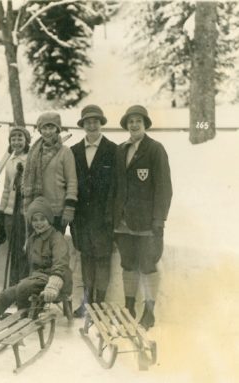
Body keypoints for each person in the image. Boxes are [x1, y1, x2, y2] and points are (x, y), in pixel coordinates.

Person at [0, 197, 72, 339]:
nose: (38, 223)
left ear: (49, 219)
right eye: (35, 220)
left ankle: (22, 317)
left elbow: (60, 265)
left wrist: (53, 286)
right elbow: (30, 267)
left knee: (23, 287)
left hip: (56, 281)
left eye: (42, 219)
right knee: (7, 293)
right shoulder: (32, 239)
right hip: (37, 280)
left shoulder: (57, 239)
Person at [112, 105, 172, 330]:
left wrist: (159, 220)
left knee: (147, 265)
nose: (134, 125)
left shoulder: (155, 149)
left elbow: (164, 188)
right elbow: (115, 187)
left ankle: (149, 311)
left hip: (147, 223)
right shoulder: (120, 150)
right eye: (130, 122)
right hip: (123, 222)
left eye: (138, 121)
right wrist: (114, 217)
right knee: (128, 264)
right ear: (126, 126)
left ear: (145, 124)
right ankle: (129, 307)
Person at [70, 105, 117, 318]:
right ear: (83, 125)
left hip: (104, 218)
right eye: (87, 122)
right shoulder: (74, 151)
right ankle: (87, 303)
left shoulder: (113, 150)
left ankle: (99, 305)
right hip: (81, 218)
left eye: (95, 121)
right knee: (86, 258)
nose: (92, 125)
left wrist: (111, 216)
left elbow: (116, 187)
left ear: (101, 123)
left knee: (102, 259)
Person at [23, 112, 78, 233]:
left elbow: (72, 181)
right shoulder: (34, 152)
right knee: (37, 249)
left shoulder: (65, 152)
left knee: (54, 249)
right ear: (40, 130)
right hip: (36, 210)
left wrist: (69, 208)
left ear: (58, 130)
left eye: (51, 127)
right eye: (44, 128)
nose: (48, 132)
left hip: (56, 211)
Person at [0, 125, 31, 286]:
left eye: (20, 138)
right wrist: (2, 208)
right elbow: (6, 188)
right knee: (12, 250)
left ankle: (22, 285)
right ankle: (12, 284)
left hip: (24, 212)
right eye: (13, 139)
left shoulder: (30, 160)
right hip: (10, 212)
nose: (16, 142)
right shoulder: (10, 161)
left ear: (26, 141)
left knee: (22, 251)